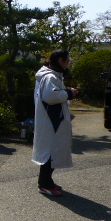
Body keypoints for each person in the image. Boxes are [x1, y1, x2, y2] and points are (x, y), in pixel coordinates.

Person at [32, 49, 79, 196]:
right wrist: (69, 93)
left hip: (52, 120)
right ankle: (44, 184)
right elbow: (50, 96)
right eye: (68, 60)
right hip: (51, 122)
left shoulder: (51, 75)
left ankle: (47, 181)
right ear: (60, 60)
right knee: (50, 153)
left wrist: (67, 93)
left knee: (52, 152)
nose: (69, 63)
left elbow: (53, 95)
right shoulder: (50, 76)